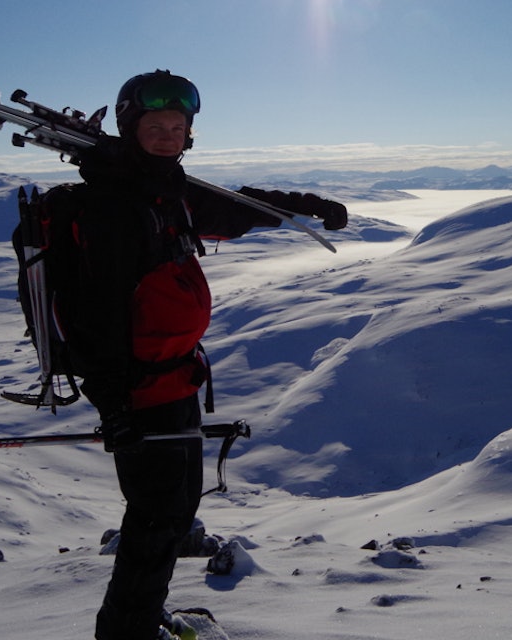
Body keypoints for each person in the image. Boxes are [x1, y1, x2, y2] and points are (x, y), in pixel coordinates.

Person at [71, 69, 348, 640]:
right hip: (140, 389)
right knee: (156, 516)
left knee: (173, 512)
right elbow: (90, 313)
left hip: (175, 380)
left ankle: (140, 619)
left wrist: (306, 205)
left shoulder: (162, 188)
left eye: (178, 125)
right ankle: (128, 631)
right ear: (129, 127)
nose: (169, 134)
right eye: (155, 125)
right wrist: (114, 405)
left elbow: (233, 207)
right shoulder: (113, 204)